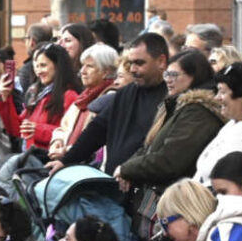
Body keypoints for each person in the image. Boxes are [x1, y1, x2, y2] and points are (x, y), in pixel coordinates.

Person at [47, 32, 169, 176]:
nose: (133, 70)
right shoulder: (126, 93)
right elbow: (97, 130)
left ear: (161, 61)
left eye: (140, 63)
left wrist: (130, 170)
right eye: (130, 63)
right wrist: (65, 161)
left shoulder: (172, 98)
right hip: (115, 183)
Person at [112, 48, 221, 210]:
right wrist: (126, 170)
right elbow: (148, 147)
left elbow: (170, 161)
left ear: (194, 76)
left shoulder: (198, 112)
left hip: (178, 203)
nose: (168, 80)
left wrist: (126, 169)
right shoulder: (176, 105)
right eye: (167, 75)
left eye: (174, 75)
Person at [48, 43, 118, 162]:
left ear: (106, 72)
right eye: (82, 66)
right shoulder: (83, 97)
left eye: (89, 66)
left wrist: (68, 151)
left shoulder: (110, 98)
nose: (82, 71)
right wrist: (57, 142)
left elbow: (98, 141)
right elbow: (63, 127)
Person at [18, 43, 79, 152]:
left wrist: (37, 130)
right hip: (31, 154)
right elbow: (17, 127)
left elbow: (71, 133)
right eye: (36, 66)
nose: (39, 71)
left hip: (49, 158)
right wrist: (5, 98)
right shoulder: (38, 93)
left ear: (58, 65)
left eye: (43, 65)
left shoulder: (70, 96)